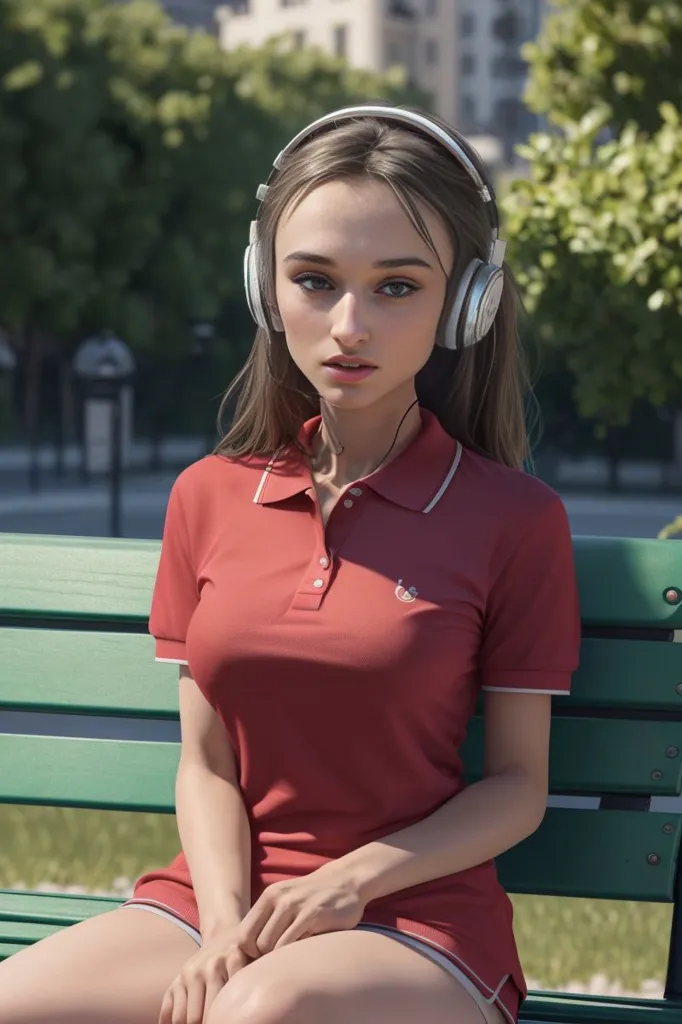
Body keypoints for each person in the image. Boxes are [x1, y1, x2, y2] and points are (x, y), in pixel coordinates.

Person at [0, 104, 580, 1024]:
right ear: (265, 289)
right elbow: (206, 763)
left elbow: (518, 787)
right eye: (315, 280)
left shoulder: (515, 520)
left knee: (260, 1013)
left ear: (465, 303)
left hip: (413, 921)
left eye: (397, 287)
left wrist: (348, 884)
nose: (350, 324)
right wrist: (228, 924)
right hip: (215, 904)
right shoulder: (206, 495)